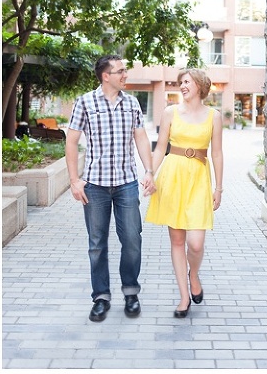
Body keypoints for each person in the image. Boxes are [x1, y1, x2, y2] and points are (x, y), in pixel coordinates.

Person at [66, 55, 156, 322]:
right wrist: (74, 180)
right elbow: (71, 141)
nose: (125, 75)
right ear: (106, 76)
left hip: (127, 183)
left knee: (132, 239)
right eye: (121, 71)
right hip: (95, 185)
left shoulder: (131, 103)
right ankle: (101, 297)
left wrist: (149, 171)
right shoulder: (85, 102)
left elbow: (141, 138)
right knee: (97, 244)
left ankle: (131, 292)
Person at [144, 68, 223, 318]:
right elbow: (160, 148)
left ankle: (194, 274)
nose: (183, 86)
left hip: (199, 179)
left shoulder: (214, 116)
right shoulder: (170, 112)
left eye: (187, 81)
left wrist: (218, 187)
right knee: (177, 241)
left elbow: (217, 153)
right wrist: (150, 173)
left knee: (195, 243)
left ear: (200, 85)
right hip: (173, 177)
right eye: (181, 82)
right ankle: (183, 296)